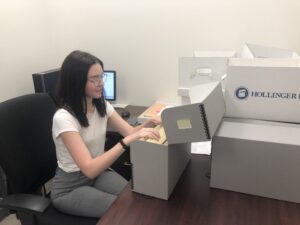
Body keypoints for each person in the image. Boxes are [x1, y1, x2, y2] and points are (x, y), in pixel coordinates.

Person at [51, 50, 161, 218]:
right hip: (70, 187)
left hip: (99, 173)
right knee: (126, 213)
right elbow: (89, 169)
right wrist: (126, 142)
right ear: (76, 82)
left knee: (137, 199)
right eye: (93, 79)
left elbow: (130, 132)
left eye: (101, 77)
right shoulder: (64, 118)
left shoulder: (101, 105)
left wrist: (151, 122)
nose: (100, 83)